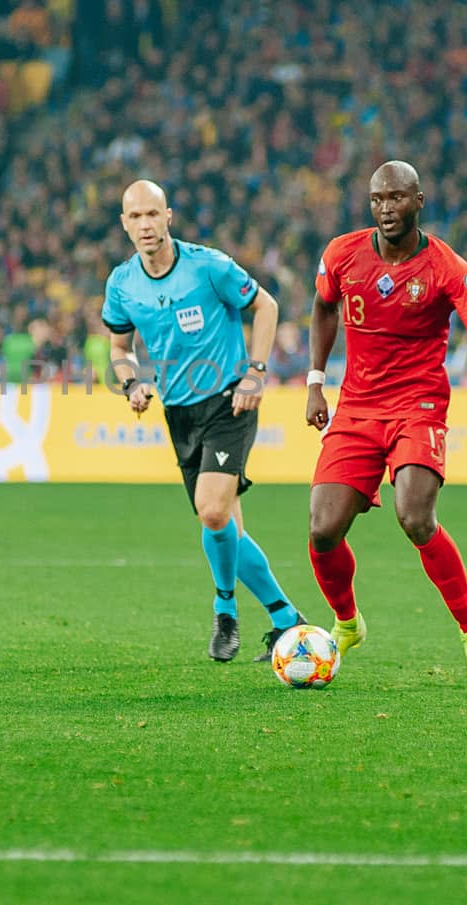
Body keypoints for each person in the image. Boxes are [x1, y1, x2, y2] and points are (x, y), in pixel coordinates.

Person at [304, 160, 467, 684]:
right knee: (322, 529)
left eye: (397, 198)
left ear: (419, 201)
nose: (386, 209)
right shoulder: (341, 253)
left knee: (415, 516)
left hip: (418, 405)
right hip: (357, 406)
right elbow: (321, 307)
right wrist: (316, 380)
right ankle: (348, 622)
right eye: (378, 199)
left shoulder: (446, 267)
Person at [102, 179, 306, 663]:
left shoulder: (207, 266)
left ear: (168, 216)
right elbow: (118, 347)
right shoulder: (122, 284)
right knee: (226, 528)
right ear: (124, 224)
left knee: (212, 511)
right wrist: (132, 384)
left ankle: (225, 611)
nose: (146, 225)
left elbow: (266, 306)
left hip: (229, 402)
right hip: (179, 412)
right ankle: (286, 620)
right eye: (136, 217)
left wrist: (256, 374)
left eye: (154, 214)